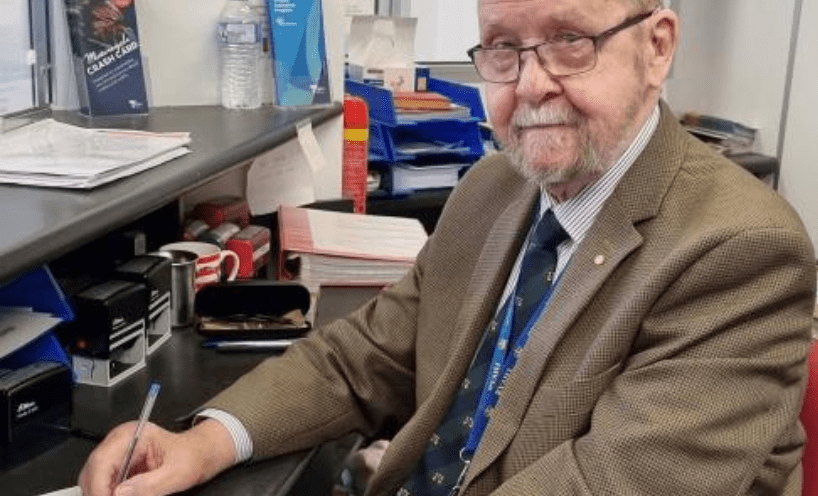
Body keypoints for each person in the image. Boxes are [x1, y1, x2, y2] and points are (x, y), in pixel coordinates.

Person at [80, 0, 817, 494]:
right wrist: (201, 442)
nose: (531, 85)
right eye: (501, 49)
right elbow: (361, 358)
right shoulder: (494, 189)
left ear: (657, 48)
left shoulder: (741, 250)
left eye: (569, 40)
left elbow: (601, 484)